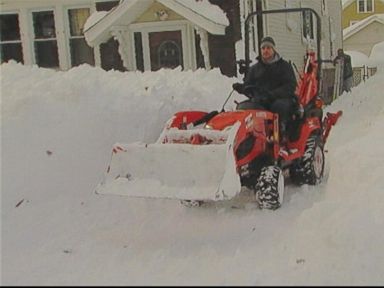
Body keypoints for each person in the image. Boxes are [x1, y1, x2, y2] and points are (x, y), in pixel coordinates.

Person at [232, 36, 297, 143]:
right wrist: (241, 88)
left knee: (279, 106)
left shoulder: (284, 66)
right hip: (261, 100)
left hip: (281, 98)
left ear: (273, 49)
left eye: (268, 48)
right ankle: (245, 137)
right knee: (244, 107)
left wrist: (272, 94)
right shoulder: (255, 69)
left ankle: (280, 136)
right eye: (263, 48)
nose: (265, 50)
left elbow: (290, 86)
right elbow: (249, 86)